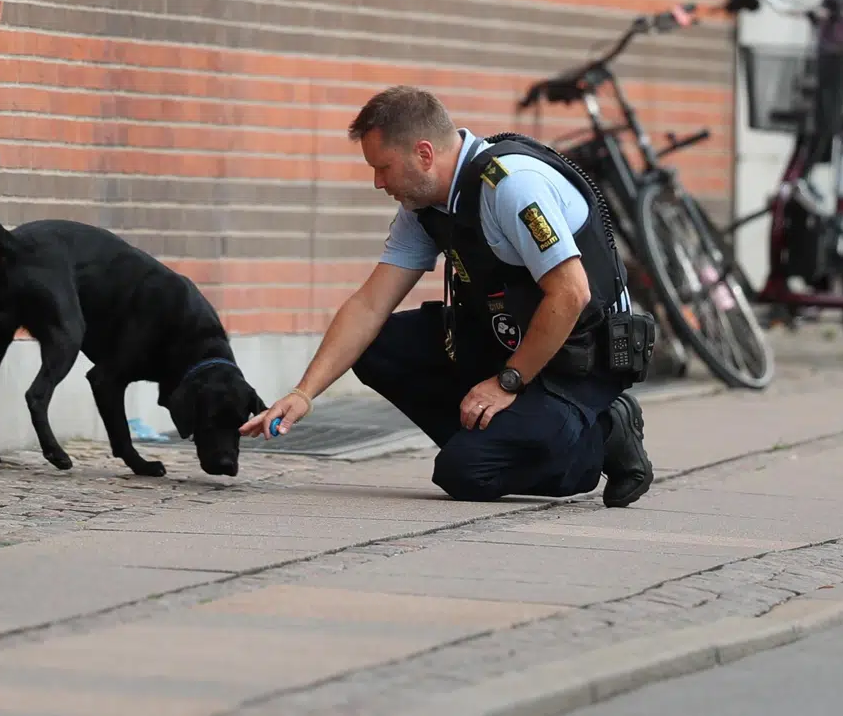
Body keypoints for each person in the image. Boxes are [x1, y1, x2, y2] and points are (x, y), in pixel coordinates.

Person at [241, 86, 655, 507]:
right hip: (507, 343)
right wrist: (304, 393)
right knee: (377, 345)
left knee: (467, 473)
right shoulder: (425, 209)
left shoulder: (511, 186)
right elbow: (369, 305)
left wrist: (507, 382)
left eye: (383, 168)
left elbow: (571, 293)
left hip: (573, 365)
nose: (377, 182)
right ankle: (495, 437)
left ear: (424, 154)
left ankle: (603, 434)